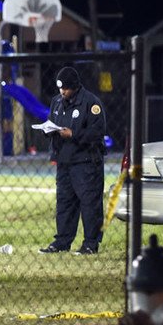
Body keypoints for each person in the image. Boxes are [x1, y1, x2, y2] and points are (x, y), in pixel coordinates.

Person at [39, 66, 108, 255]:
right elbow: (52, 121)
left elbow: (98, 131)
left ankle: (90, 244)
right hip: (64, 161)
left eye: (66, 88)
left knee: (89, 203)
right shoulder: (57, 102)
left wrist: (74, 134)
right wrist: (49, 131)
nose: (63, 92)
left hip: (85, 161)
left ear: (75, 86)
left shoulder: (91, 103)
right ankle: (62, 241)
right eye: (60, 88)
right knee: (64, 202)